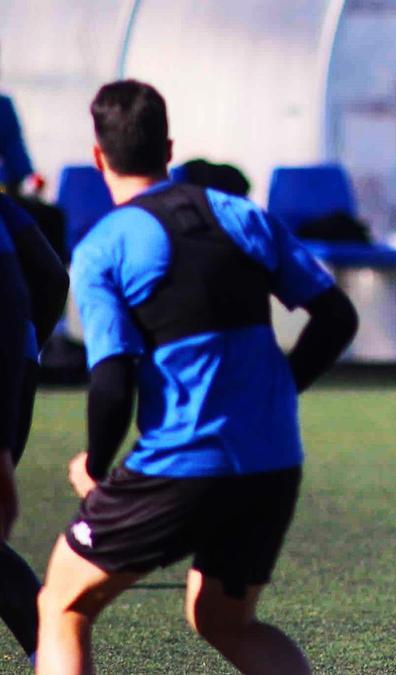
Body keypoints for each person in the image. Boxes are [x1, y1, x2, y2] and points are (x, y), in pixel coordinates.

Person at [35, 80, 359, 674]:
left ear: (99, 157)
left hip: (182, 465)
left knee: (61, 604)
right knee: (224, 620)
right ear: (169, 148)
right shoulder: (242, 216)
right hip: (272, 461)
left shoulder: (104, 246)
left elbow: (112, 379)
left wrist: (96, 467)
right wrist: (283, 387)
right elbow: (337, 316)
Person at [0, 194, 69, 665]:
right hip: (15, 369)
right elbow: (50, 276)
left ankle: (54, 652)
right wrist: (28, 351)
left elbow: (18, 290)